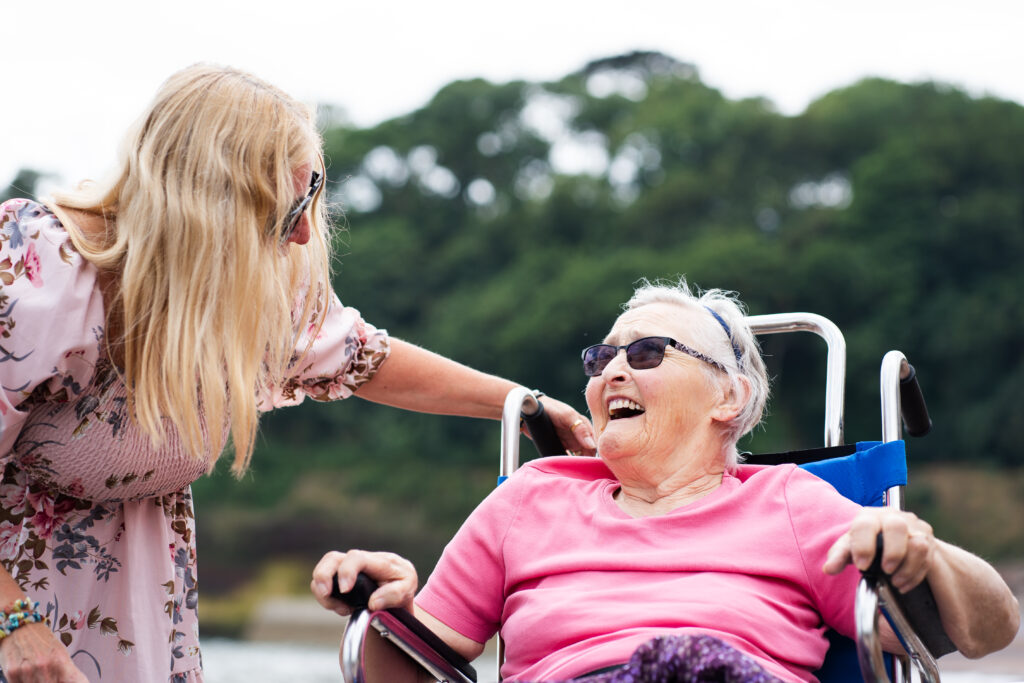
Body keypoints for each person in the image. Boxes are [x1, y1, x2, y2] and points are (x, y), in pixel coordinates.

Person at [0, 64, 596, 683]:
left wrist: (526, 404)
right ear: (208, 202)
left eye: (309, 198)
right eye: (285, 212)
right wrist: (14, 625)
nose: (305, 232)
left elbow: (366, 359)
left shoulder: (238, 293)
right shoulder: (40, 271)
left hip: (133, 616)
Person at [312, 279, 1020, 683]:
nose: (612, 371)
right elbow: (409, 668)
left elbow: (992, 630)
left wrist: (925, 551)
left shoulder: (795, 505)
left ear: (729, 398)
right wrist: (378, 609)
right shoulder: (530, 498)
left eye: (647, 352)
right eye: (602, 357)